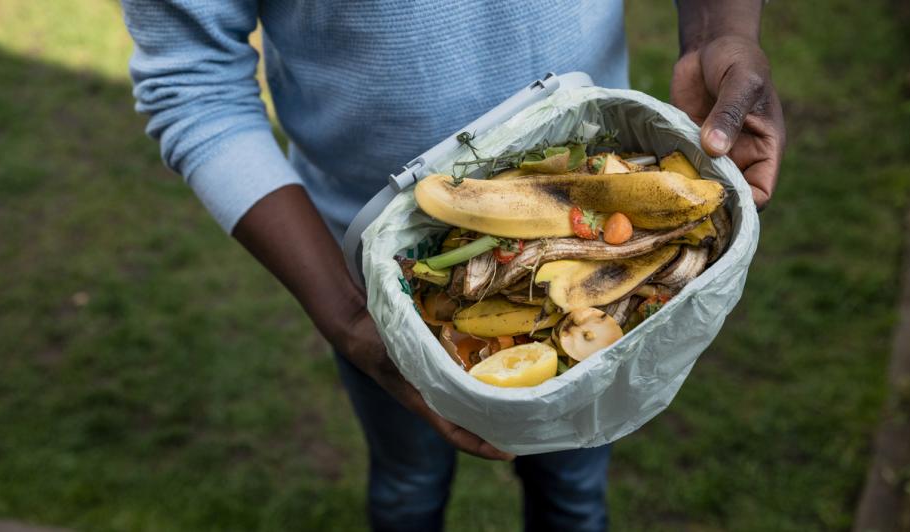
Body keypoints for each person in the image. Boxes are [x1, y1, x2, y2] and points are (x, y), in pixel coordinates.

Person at [121, 1, 785, 530]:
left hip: (609, 239)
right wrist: (350, 316)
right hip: (374, 279)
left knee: (575, 483)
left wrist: (713, 33)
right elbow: (191, 82)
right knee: (409, 483)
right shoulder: (365, 303)